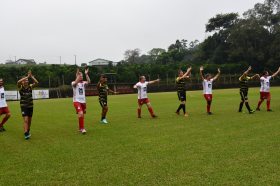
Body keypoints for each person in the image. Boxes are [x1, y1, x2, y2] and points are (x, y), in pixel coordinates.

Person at [17, 71, 39, 140]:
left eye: (27, 80)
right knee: (26, 120)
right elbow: (18, 82)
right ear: (22, 82)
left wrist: (31, 76)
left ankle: (28, 130)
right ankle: (26, 133)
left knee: (29, 121)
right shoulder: (20, 87)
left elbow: (37, 83)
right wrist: (26, 77)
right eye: (24, 80)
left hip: (30, 106)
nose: (26, 81)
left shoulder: (30, 87)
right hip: (24, 106)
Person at [72, 68, 91, 134]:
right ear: (77, 77)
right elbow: (75, 83)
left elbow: (89, 81)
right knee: (81, 113)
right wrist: (77, 75)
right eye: (80, 76)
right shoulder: (74, 83)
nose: (81, 77)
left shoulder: (83, 83)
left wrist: (86, 74)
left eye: (82, 76)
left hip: (83, 102)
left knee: (81, 115)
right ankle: (82, 129)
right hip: (76, 101)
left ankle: (80, 128)